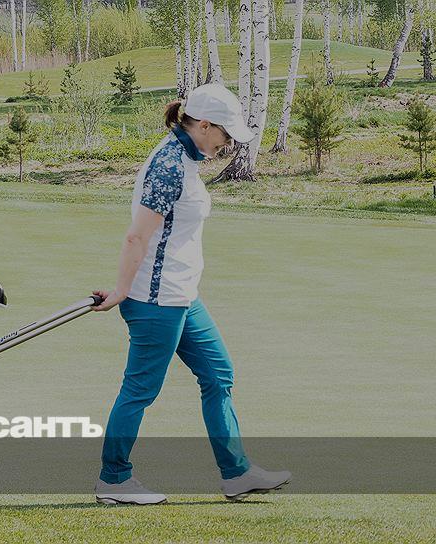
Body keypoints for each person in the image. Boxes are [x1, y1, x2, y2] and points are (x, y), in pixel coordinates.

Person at [91, 83, 291, 505]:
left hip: (181, 296)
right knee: (140, 390)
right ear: (203, 125)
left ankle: (236, 473)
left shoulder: (185, 158)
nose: (228, 143)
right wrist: (122, 290)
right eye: (225, 134)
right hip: (155, 300)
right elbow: (136, 237)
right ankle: (114, 479)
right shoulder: (169, 166)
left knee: (218, 374)